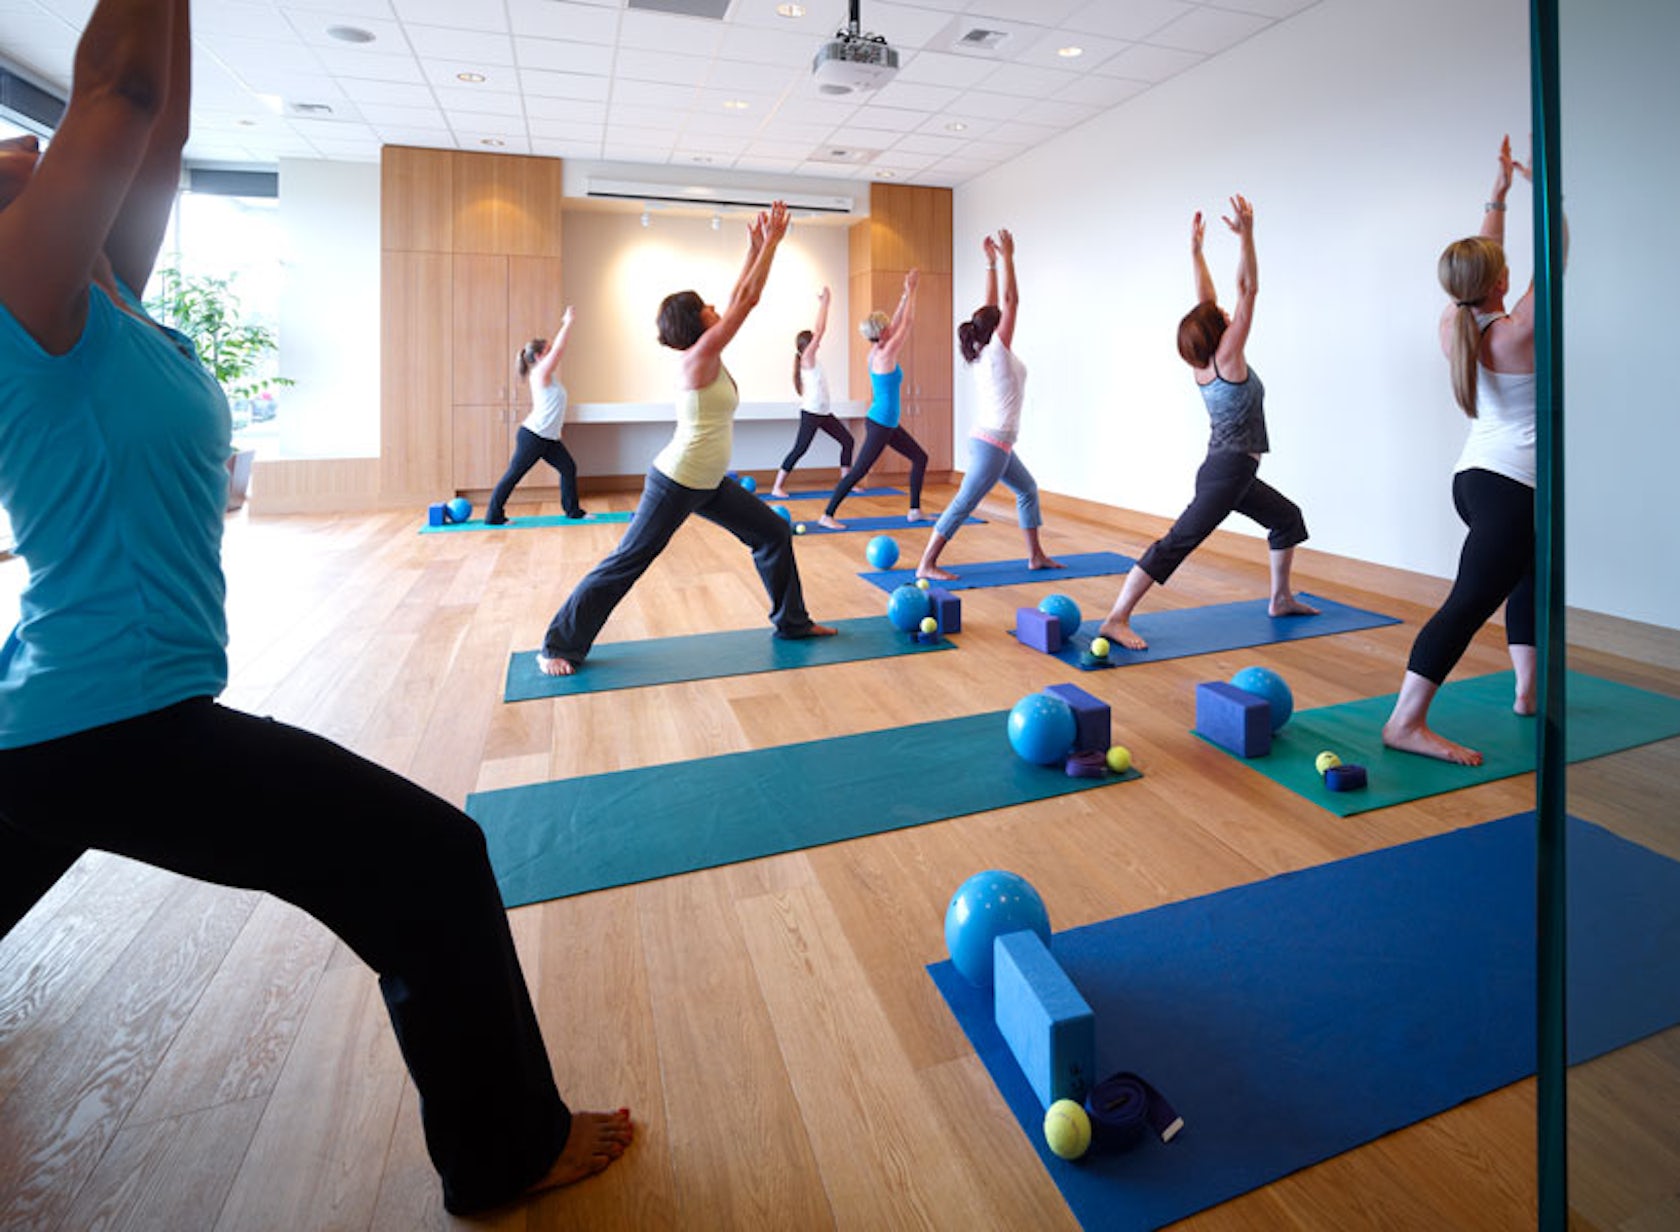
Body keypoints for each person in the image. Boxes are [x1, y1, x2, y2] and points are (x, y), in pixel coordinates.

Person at [0, 0, 630, 1216]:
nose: (31, 147)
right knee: (430, 861)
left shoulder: (104, 300)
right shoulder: (28, 309)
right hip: (106, 728)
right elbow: (118, 101)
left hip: (64, 716)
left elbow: (158, 126)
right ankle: (504, 1152)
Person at [537, 202, 836, 676]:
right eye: (707, 307)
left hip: (708, 480)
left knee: (773, 533)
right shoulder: (699, 358)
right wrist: (773, 244)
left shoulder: (707, 349)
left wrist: (755, 246)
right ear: (697, 322)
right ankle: (559, 643)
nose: (717, 308)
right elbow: (747, 302)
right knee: (629, 560)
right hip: (677, 481)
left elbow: (739, 294)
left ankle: (793, 622)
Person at [1382, 137, 1543, 765]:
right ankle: (1405, 722)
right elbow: (1553, 258)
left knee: (1528, 572)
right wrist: (1547, 193)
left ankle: (1527, 690)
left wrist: (1497, 196)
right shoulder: (1518, 334)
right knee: (1470, 602)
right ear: (1499, 281)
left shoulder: (1455, 323)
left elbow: (1484, 268)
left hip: (1476, 479)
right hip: (1510, 487)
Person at [1097, 196, 1315, 650]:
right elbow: (1248, 292)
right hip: (1227, 473)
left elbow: (1209, 302)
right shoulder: (1229, 358)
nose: (1225, 314)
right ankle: (1116, 618)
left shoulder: (1206, 360)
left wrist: (1196, 252)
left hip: (1231, 470)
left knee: (1287, 519)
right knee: (1175, 544)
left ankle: (1280, 598)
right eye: (1221, 319)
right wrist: (1248, 236)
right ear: (1219, 333)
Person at [916, 229, 1059, 581]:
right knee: (965, 503)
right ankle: (927, 563)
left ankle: (1035, 555)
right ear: (996, 330)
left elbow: (994, 307)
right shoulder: (994, 350)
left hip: (995, 443)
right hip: (992, 446)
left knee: (1026, 490)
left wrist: (990, 264)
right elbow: (1009, 303)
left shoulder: (982, 349)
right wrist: (1009, 258)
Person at [818, 270, 929, 529]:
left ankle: (914, 510)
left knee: (920, 457)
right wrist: (912, 291)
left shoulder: (877, 349)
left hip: (886, 422)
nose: (892, 326)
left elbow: (899, 319)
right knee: (859, 471)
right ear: (882, 332)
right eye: (888, 326)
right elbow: (908, 323)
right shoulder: (885, 353)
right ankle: (827, 515)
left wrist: (904, 294)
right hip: (880, 423)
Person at [485, 306, 586, 524]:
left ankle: (573, 511)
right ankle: (493, 515)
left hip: (548, 438)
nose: (553, 354)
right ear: (540, 356)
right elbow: (559, 350)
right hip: (534, 436)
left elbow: (556, 352)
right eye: (548, 351)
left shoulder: (549, 376)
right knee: (514, 474)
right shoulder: (540, 373)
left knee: (568, 468)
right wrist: (568, 323)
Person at [769, 286, 860, 498]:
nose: (818, 343)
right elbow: (820, 330)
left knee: (848, 441)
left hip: (823, 413)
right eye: (814, 342)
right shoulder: (806, 359)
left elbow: (818, 334)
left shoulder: (814, 361)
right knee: (800, 449)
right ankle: (777, 486)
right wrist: (824, 304)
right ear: (806, 346)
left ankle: (847, 482)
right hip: (811, 413)